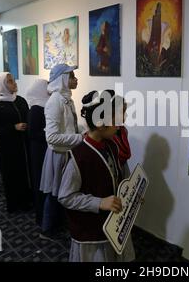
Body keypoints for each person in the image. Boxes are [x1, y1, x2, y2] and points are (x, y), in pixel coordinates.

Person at [58, 90, 135, 262]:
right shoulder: (79, 157)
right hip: (91, 231)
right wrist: (99, 202)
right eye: (116, 121)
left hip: (111, 225)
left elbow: (115, 177)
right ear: (101, 125)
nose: (119, 125)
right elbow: (66, 197)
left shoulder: (112, 146)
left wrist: (131, 195)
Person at [39, 63, 83, 240]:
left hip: (68, 152)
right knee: (54, 193)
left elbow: (69, 126)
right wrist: (81, 139)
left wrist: (81, 131)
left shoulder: (67, 99)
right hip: (59, 154)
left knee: (64, 191)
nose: (75, 79)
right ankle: (47, 229)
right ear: (63, 80)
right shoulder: (55, 102)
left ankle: (59, 225)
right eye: (72, 76)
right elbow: (52, 138)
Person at [0, 72, 32, 213]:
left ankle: (27, 201)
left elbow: (28, 116)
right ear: (1, 85)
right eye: (10, 81)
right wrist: (13, 127)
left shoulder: (20, 100)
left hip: (24, 143)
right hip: (8, 147)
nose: (14, 83)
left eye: (13, 80)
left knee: (25, 173)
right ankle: (14, 205)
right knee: (11, 176)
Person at [26, 79, 50, 227]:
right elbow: (33, 133)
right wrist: (52, 134)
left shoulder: (47, 104)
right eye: (46, 86)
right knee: (41, 182)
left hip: (46, 148)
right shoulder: (36, 108)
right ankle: (41, 218)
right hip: (39, 151)